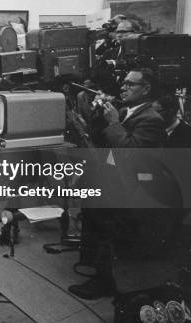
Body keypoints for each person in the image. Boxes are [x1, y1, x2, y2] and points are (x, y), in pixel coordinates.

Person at [69, 68, 168, 300]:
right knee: (97, 225)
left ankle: (105, 281)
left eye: (131, 84)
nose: (123, 87)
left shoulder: (152, 119)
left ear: (146, 89)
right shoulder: (126, 110)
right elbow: (100, 140)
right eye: (123, 83)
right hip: (112, 180)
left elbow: (131, 155)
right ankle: (100, 273)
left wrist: (113, 122)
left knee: (109, 233)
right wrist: (97, 115)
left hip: (130, 189)